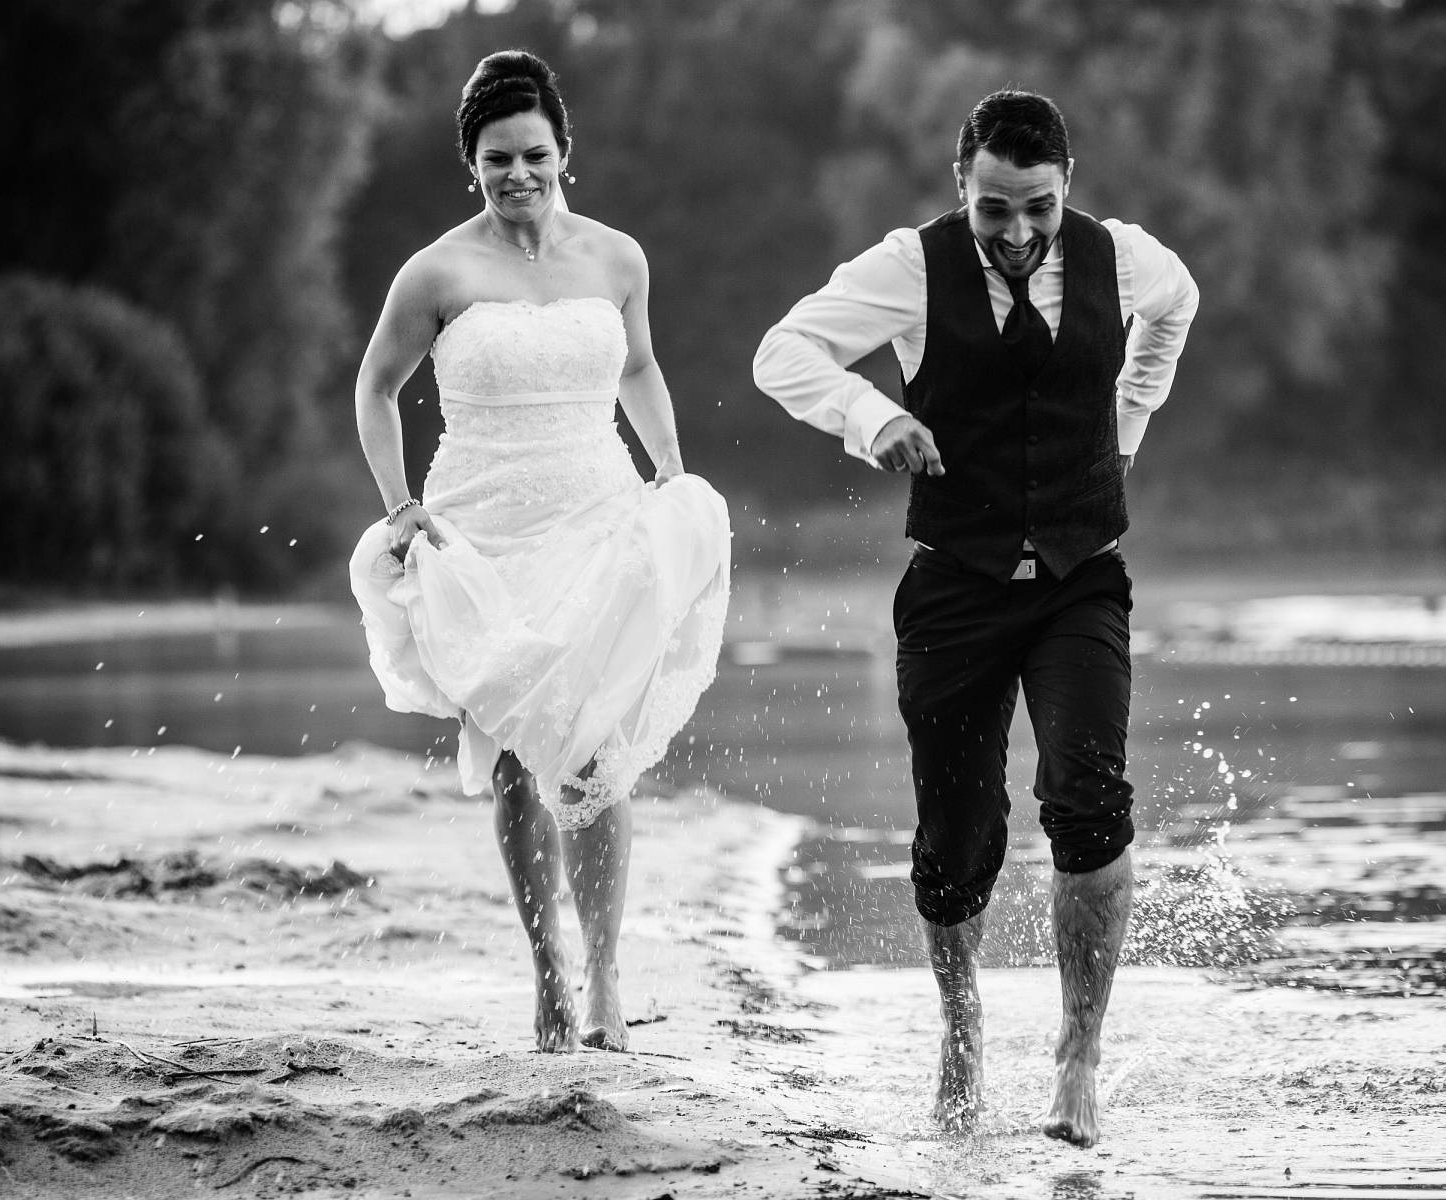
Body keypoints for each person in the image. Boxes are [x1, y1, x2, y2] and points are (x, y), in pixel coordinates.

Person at [752, 89, 1198, 1147]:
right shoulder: (910, 268)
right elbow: (783, 353)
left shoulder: (1122, 258)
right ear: (963, 187)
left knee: (1088, 799)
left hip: (1083, 575)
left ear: (1067, 187)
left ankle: (1076, 1056)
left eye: (1036, 207)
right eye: (994, 209)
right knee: (960, 840)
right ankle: (962, 1028)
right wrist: (875, 416)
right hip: (955, 583)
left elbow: (1177, 305)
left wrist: (1128, 420)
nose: (1016, 232)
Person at [349, 50, 730, 1053]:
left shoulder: (616, 259)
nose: (518, 175)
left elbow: (640, 368)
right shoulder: (435, 272)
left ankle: (605, 976)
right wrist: (397, 505)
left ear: (566, 153)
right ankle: (548, 974)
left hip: (597, 512)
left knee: (595, 753)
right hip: (481, 529)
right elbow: (376, 389)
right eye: (496, 160)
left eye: (535, 156)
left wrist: (674, 473)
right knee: (521, 763)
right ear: (469, 163)